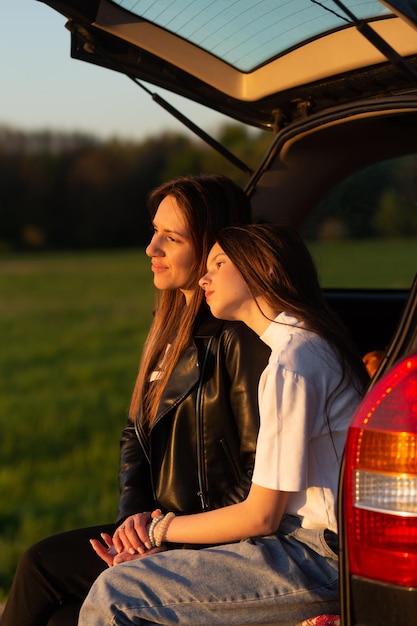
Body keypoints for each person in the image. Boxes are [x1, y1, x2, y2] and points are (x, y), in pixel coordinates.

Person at [0, 175, 269, 626]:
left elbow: (259, 474)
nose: (151, 248)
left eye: (171, 237)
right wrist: (134, 523)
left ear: (211, 248)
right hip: (156, 526)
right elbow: (136, 433)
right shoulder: (168, 322)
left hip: (211, 539)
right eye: (154, 230)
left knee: (40, 569)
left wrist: (168, 537)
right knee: (61, 609)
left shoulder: (239, 337)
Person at [78, 223, 370, 626]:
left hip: (320, 558)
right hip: (308, 545)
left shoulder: (294, 364)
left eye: (219, 263)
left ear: (263, 270)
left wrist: (159, 530)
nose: (204, 277)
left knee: (116, 593)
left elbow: (260, 517)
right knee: (130, 577)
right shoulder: (306, 349)